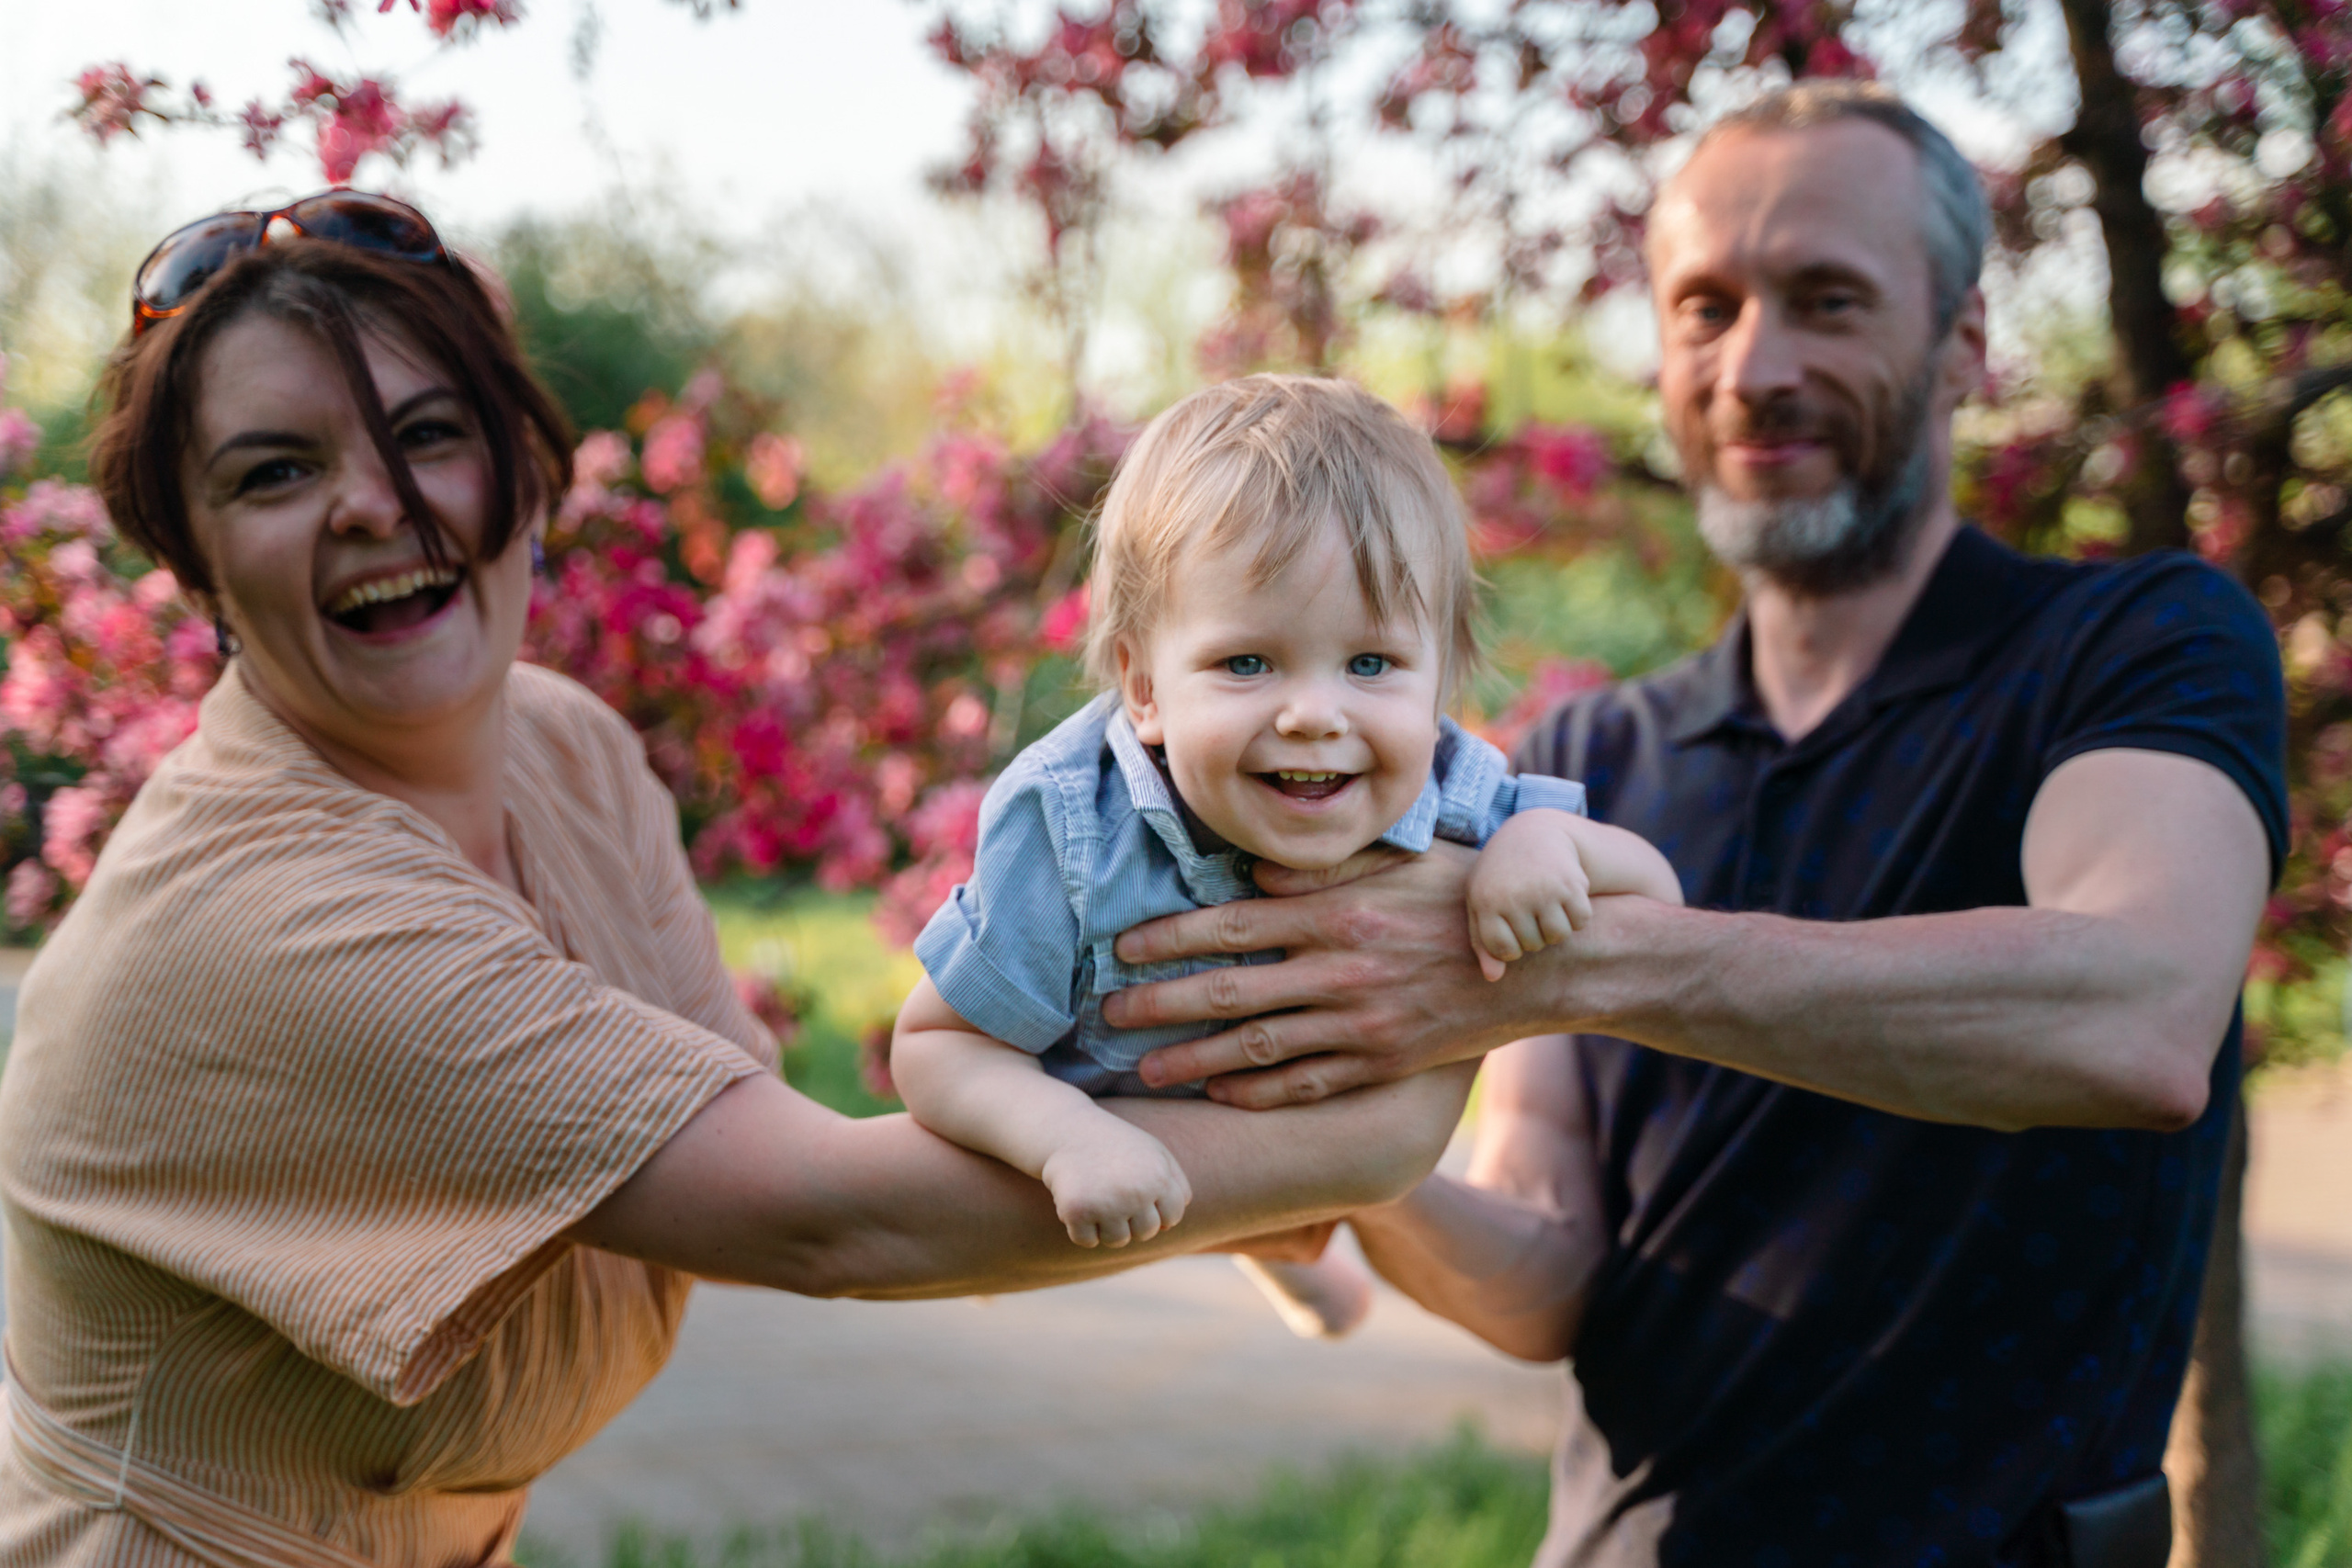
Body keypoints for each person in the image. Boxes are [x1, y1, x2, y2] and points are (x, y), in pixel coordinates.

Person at [0, 195, 1470, 1566]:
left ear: (518, 465)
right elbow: (826, 1216)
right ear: (188, 554)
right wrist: (1388, 1114)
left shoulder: (564, 751)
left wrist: (1202, 1138)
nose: (377, 503)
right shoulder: (272, 909)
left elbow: (795, 1149)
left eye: (428, 432)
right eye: (276, 469)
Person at [1092, 84, 2288, 1566]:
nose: (1754, 366)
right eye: (1704, 307)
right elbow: (1549, 1280)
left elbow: (2141, 1014)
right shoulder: (1586, 763)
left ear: (1964, 341)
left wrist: (1577, 964)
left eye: (1827, 299)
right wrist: (1340, 1171)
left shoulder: (2135, 645)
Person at [889, 376, 1681, 1337]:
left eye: (1370, 664)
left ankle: (1289, 1249)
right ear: (1143, 688)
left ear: (1441, 680)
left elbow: (1655, 895)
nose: (1314, 714)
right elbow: (935, 1044)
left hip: (1312, 1135)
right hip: (1114, 1125)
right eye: (1247, 663)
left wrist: (1543, 842)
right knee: (1084, 1204)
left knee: (1275, 1209)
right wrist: (1066, 1140)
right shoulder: (1071, 827)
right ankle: (1268, 1247)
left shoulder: (1462, 794)